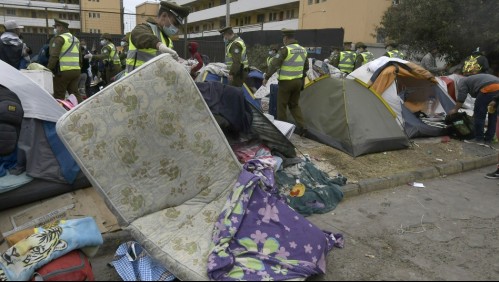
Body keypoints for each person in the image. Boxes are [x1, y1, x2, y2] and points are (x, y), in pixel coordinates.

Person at [262, 29, 309, 136]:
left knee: (281, 106)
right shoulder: (303, 50)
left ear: (286, 38)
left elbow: (274, 64)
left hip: (286, 83)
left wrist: (267, 77)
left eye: (283, 38)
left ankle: (282, 131)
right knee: (294, 105)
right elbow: (306, 67)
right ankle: (303, 127)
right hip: (298, 82)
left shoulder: (285, 50)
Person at [125, 1, 189, 74]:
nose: (176, 28)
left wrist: (181, 64)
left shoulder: (168, 39)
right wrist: (159, 45)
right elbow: (138, 34)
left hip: (154, 82)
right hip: (134, 82)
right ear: (164, 16)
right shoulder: (144, 28)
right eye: (175, 23)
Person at [449, 73, 499, 143]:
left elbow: (461, 98)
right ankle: (489, 138)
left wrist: (455, 109)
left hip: (488, 88)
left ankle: (479, 138)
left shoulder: (462, 82)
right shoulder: (473, 79)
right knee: (492, 115)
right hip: (497, 90)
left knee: (479, 115)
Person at [47, 18, 82, 102]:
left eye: (56, 27)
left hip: (63, 71)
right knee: (74, 93)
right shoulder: (75, 39)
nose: (55, 29)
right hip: (76, 71)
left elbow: (54, 56)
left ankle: (59, 113)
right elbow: (80, 57)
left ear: (61, 28)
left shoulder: (59, 39)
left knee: (59, 95)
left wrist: (48, 69)